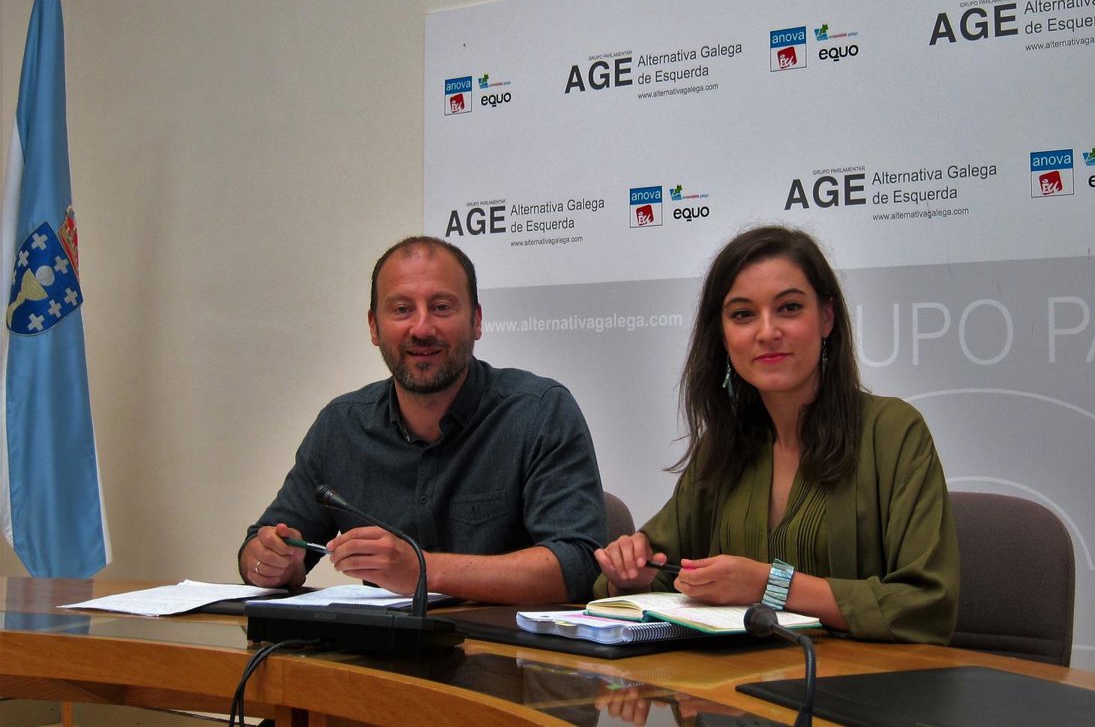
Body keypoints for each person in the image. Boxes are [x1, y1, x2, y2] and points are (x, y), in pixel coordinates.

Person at [594, 225, 959, 643]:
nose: (767, 332)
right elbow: (661, 574)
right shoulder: (723, 446)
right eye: (743, 314)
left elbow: (927, 607)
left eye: (789, 308)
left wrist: (770, 586)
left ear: (826, 317)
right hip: (734, 681)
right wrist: (632, 574)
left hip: (859, 680)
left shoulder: (894, 432)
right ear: (723, 336)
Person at [240, 236, 607, 603]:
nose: (422, 328)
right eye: (402, 309)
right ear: (374, 326)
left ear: (476, 320)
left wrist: (422, 569)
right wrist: (268, 562)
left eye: (441, 307)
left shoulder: (538, 412)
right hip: (381, 640)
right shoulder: (341, 426)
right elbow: (261, 545)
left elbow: (578, 565)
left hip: (507, 639)